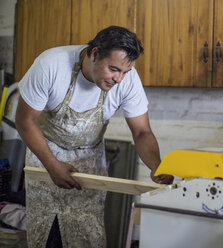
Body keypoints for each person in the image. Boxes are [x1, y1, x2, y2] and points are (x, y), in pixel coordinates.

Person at [15, 26, 174, 247]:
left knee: (88, 236)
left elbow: (142, 132)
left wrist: (156, 165)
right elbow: (25, 121)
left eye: (125, 72)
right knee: (47, 235)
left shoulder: (127, 80)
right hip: (44, 155)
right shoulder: (50, 65)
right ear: (95, 54)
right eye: (114, 69)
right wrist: (51, 164)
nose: (119, 79)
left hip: (89, 161)